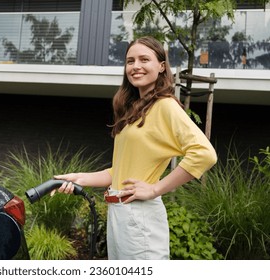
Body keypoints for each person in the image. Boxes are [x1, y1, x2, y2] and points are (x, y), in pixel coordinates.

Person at [54, 36, 217, 260]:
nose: (136, 66)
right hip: (119, 214)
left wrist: (155, 189)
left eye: (144, 59)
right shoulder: (134, 112)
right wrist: (80, 178)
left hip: (139, 214)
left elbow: (204, 154)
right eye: (130, 61)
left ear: (161, 67)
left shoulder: (165, 106)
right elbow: (119, 171)